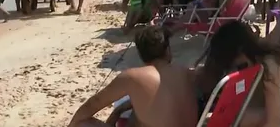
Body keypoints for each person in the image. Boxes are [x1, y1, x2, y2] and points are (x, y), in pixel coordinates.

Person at [68, 26, 198, 127]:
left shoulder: (132, 77)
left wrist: (72, 124)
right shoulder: (186, 72)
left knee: (81, 123)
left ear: (141, 55)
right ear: (167, 50)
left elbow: (92, 104)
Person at [197, 20, 280, 126]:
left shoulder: (270, 66)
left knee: (244, 118)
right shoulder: (255, 60)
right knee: (241, 117)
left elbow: (274, 120)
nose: (233, 70)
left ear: (241, 51)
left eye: (232, 63)